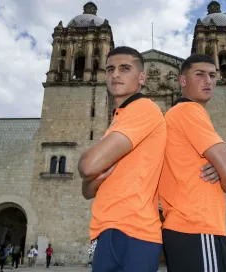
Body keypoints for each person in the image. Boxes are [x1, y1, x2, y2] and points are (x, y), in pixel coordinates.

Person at [78, 46, 166, 272]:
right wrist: (99, 176)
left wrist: (95, 169)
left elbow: (88, 166)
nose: (115, 74)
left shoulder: (144, 108)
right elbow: (87, 190)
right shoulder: (119, 119)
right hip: (106, 231)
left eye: (124, 68)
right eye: (110, 69)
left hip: (132, 232)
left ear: (142, 77)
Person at [159, 54, 226, 272]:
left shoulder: (175, 114)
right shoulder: (189, 111)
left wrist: (219, 167)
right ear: (182, 81)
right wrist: (224, 171)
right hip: (197, 225)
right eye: (200, 74)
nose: (208, 80)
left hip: (186, 228)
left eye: (213, 75)